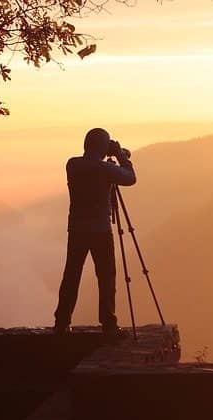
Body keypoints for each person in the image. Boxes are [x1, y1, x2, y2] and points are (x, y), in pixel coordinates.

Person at [53, 128, 136, 337]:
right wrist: (120, 156)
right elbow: (130, 178)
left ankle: (61, 322)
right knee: (106, 277)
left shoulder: (72, 165)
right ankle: (109, 324)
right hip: (101, 230)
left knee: (71, 275)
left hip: (77, 229)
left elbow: (94, 164)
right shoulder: (105, 169)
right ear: (102, 147)